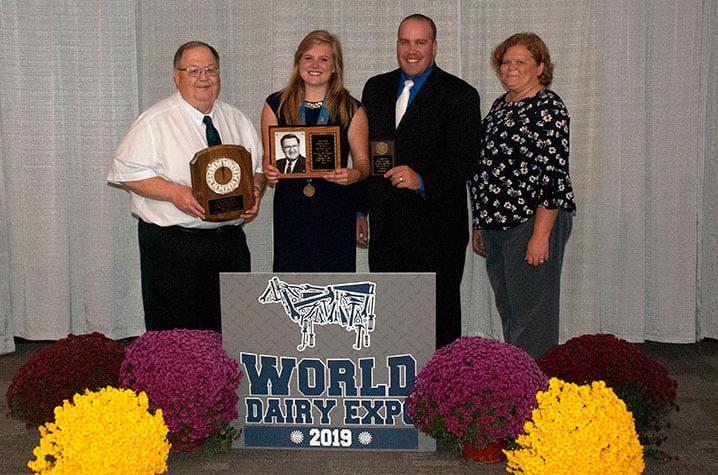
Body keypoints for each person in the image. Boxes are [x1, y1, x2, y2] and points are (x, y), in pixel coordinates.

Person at [108, 40, 264, 333]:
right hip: (173, 247)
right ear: (176, 75)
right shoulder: (154, 121)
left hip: (229, 243)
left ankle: (226, 381)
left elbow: (257, 169)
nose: (203, 77)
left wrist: (255, 191)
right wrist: (175, 193)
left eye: (210, 69)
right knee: (176, 338)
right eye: (193, 70)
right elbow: (125, 172)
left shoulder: (237, 119)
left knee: (232, 331)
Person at [359, 14, 482, 349]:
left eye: (420, 42)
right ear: (397, 44)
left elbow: (466, 160)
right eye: (404, 41)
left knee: (438, 321)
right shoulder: (375, 88)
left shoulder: (460, 95)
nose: (411, 50)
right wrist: (360, 211)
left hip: (437, 232)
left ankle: (441, 393)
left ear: (434, 47)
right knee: (388, 318)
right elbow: (363, 156)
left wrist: (423, 180)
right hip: (386, 230)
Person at [470, 32, 576, 359]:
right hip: (497, 223)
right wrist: (479, 223)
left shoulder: (548, 106)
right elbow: (484, 168)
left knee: (533, 319)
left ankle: (538, 394)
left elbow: (553, 173)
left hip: (532, 221)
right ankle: (519, 384)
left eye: (520, 62)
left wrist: (540, 234)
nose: (510, 68)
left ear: (540, 67)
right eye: (505, 62)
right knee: (512, 312)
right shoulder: (501, 105)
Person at [262, 30, 369, 272]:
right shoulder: (275, 105)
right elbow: (269, 158)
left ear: (334, 67)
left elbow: (364, 163)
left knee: (335, 286)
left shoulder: (352, 109)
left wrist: (354, 174)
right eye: (308, 57)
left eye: (324, 59)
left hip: (336, 209)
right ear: (298, 62)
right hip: (292, 211)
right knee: (292, 285)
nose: (315, 65)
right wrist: (269, 170)